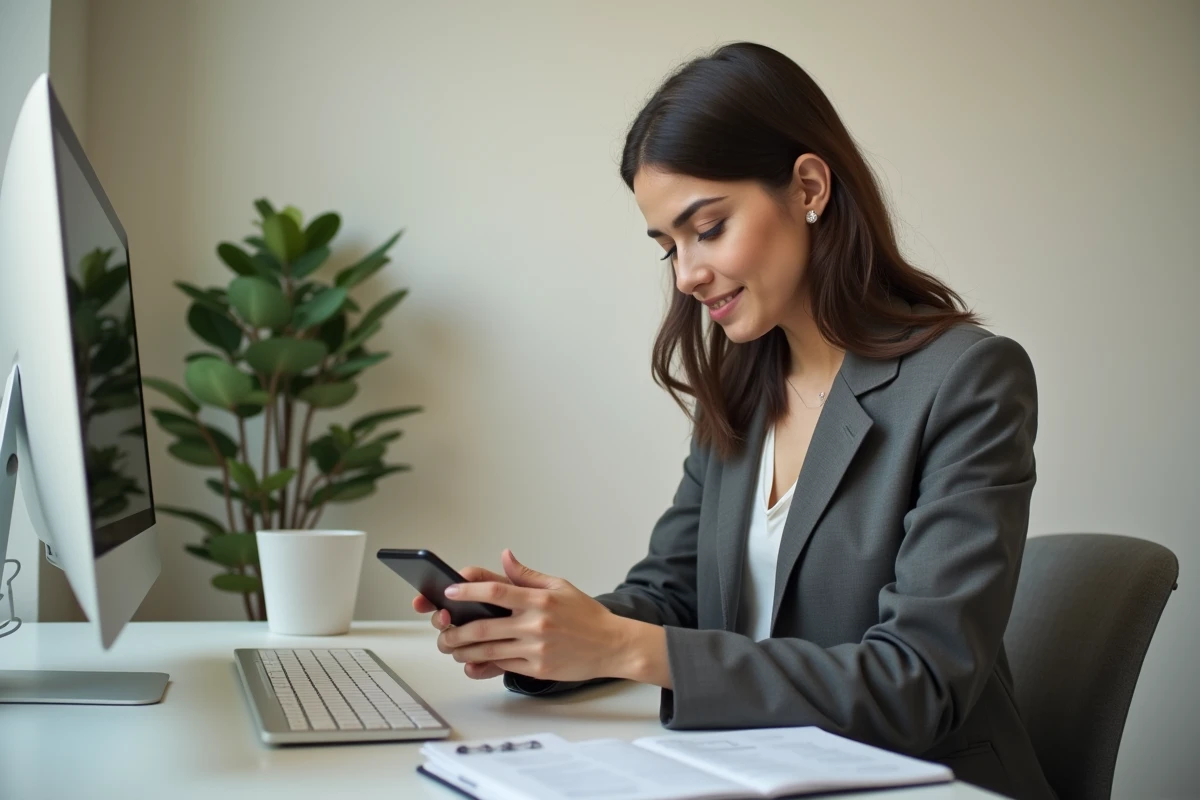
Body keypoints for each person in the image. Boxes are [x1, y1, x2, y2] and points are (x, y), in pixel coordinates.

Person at [412, 41, 1056, 800]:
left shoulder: (967, 380)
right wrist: (542, 633)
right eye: (669, 247)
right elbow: (672, 596)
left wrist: (623, 646)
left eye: (709, 228)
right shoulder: (743, 389)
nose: (687, 274)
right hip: (754, 771)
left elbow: (917, 684)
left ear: (808, 187)